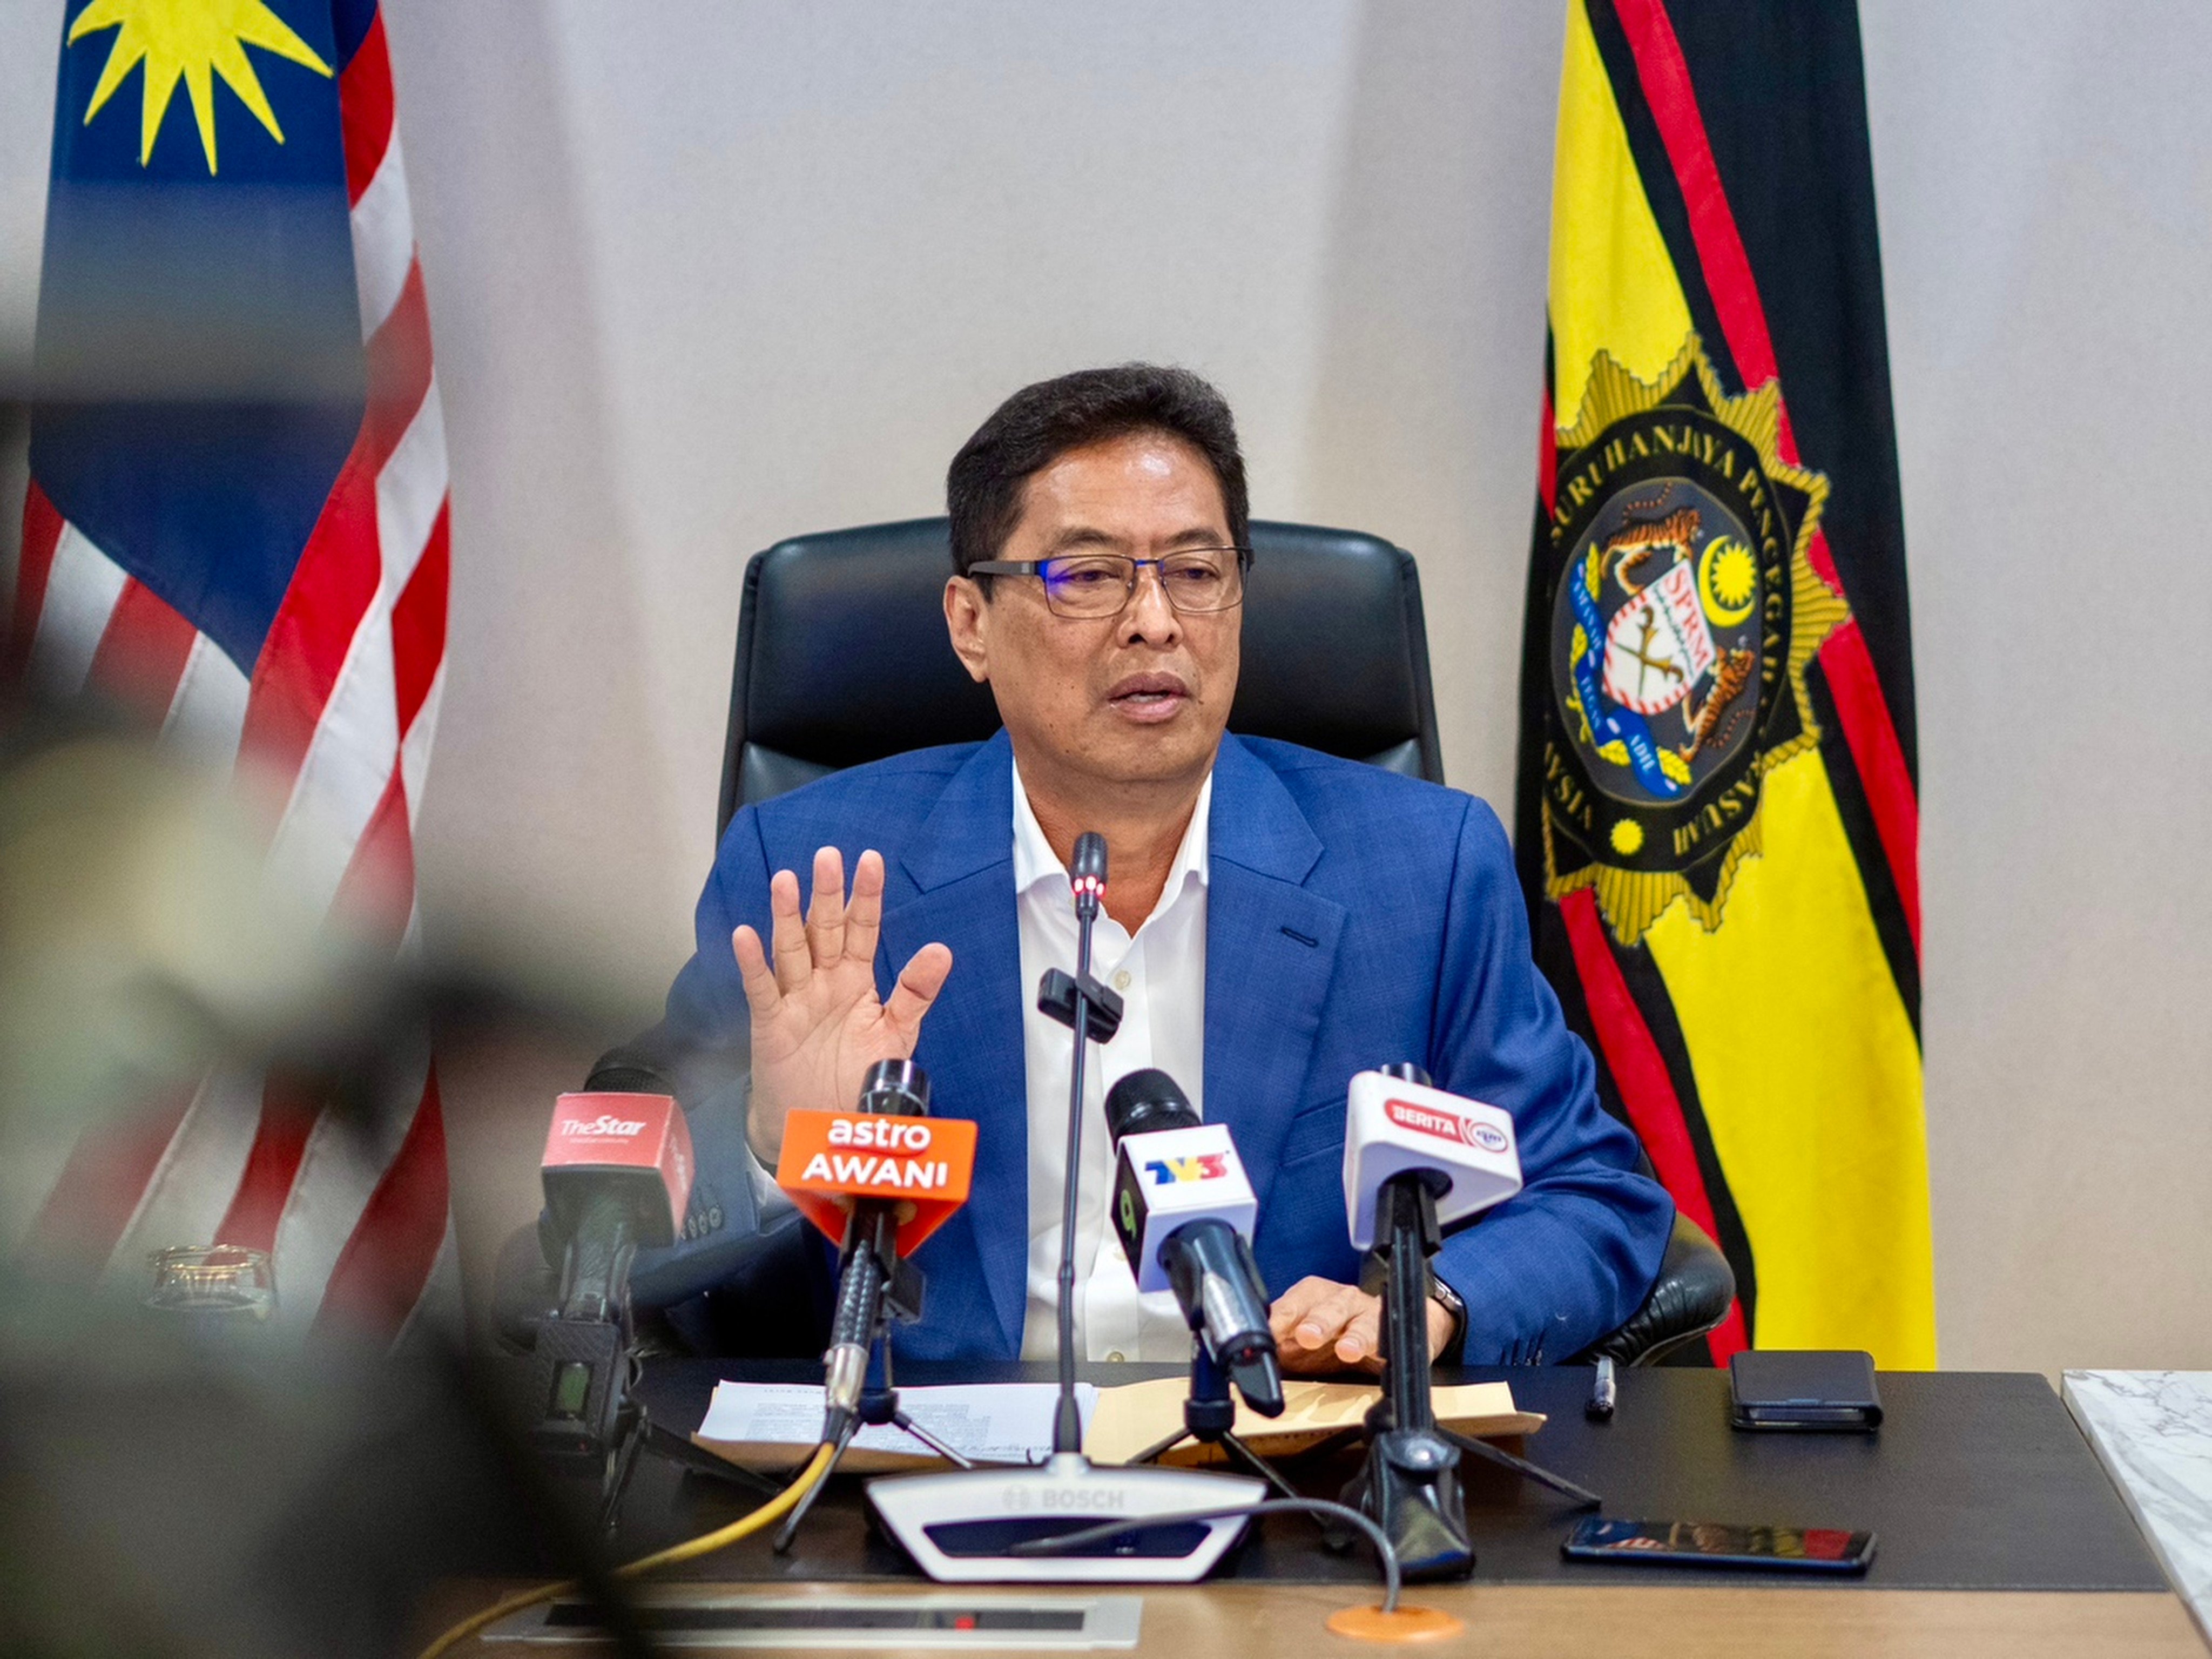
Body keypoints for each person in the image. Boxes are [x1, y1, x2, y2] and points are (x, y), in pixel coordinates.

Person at [626, 364, 1671, 1371]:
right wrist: (773, 1151)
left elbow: (1588, 1193)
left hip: (1295, 1484)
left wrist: (1426, 1307)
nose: (1156, 620)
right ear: (968, 625)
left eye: (1197, 573)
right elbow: (619, 1255)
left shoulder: (1422, 871)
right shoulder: (815, 880)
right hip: (917, 1483)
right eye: (1086, 576)